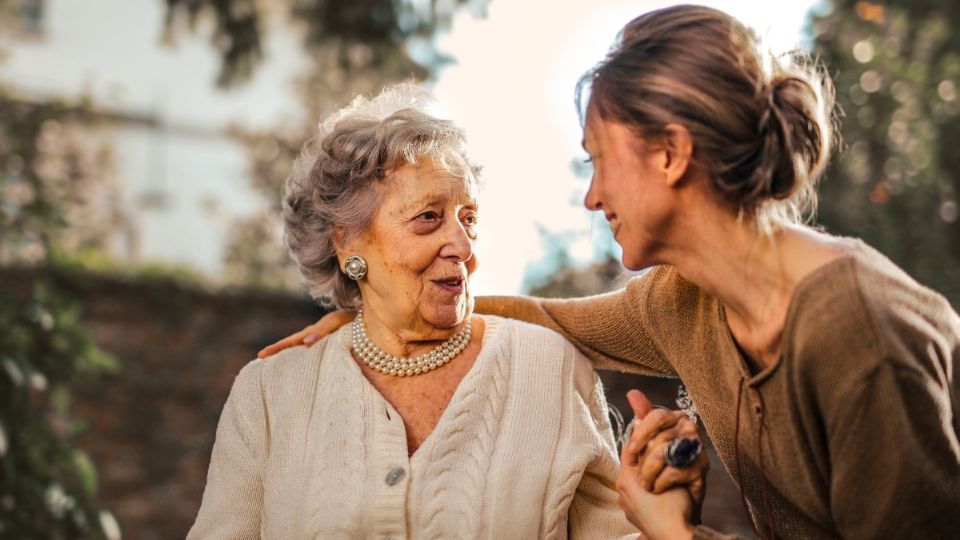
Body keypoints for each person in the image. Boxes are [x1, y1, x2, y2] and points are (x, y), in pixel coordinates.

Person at [259, 5, 960, 539]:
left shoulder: (858, 335)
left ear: (670, 154)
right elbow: (544, 317)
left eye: (598, 158)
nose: (592, 196)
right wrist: (376, 310)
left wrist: (671, 535)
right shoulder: (683, 301)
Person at [189, 84, 708, 539]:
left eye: (469, 218)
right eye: (428, 218)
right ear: (348, 244)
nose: (462, 244)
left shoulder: (549, 369)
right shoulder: (270, 392)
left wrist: (664, 524)